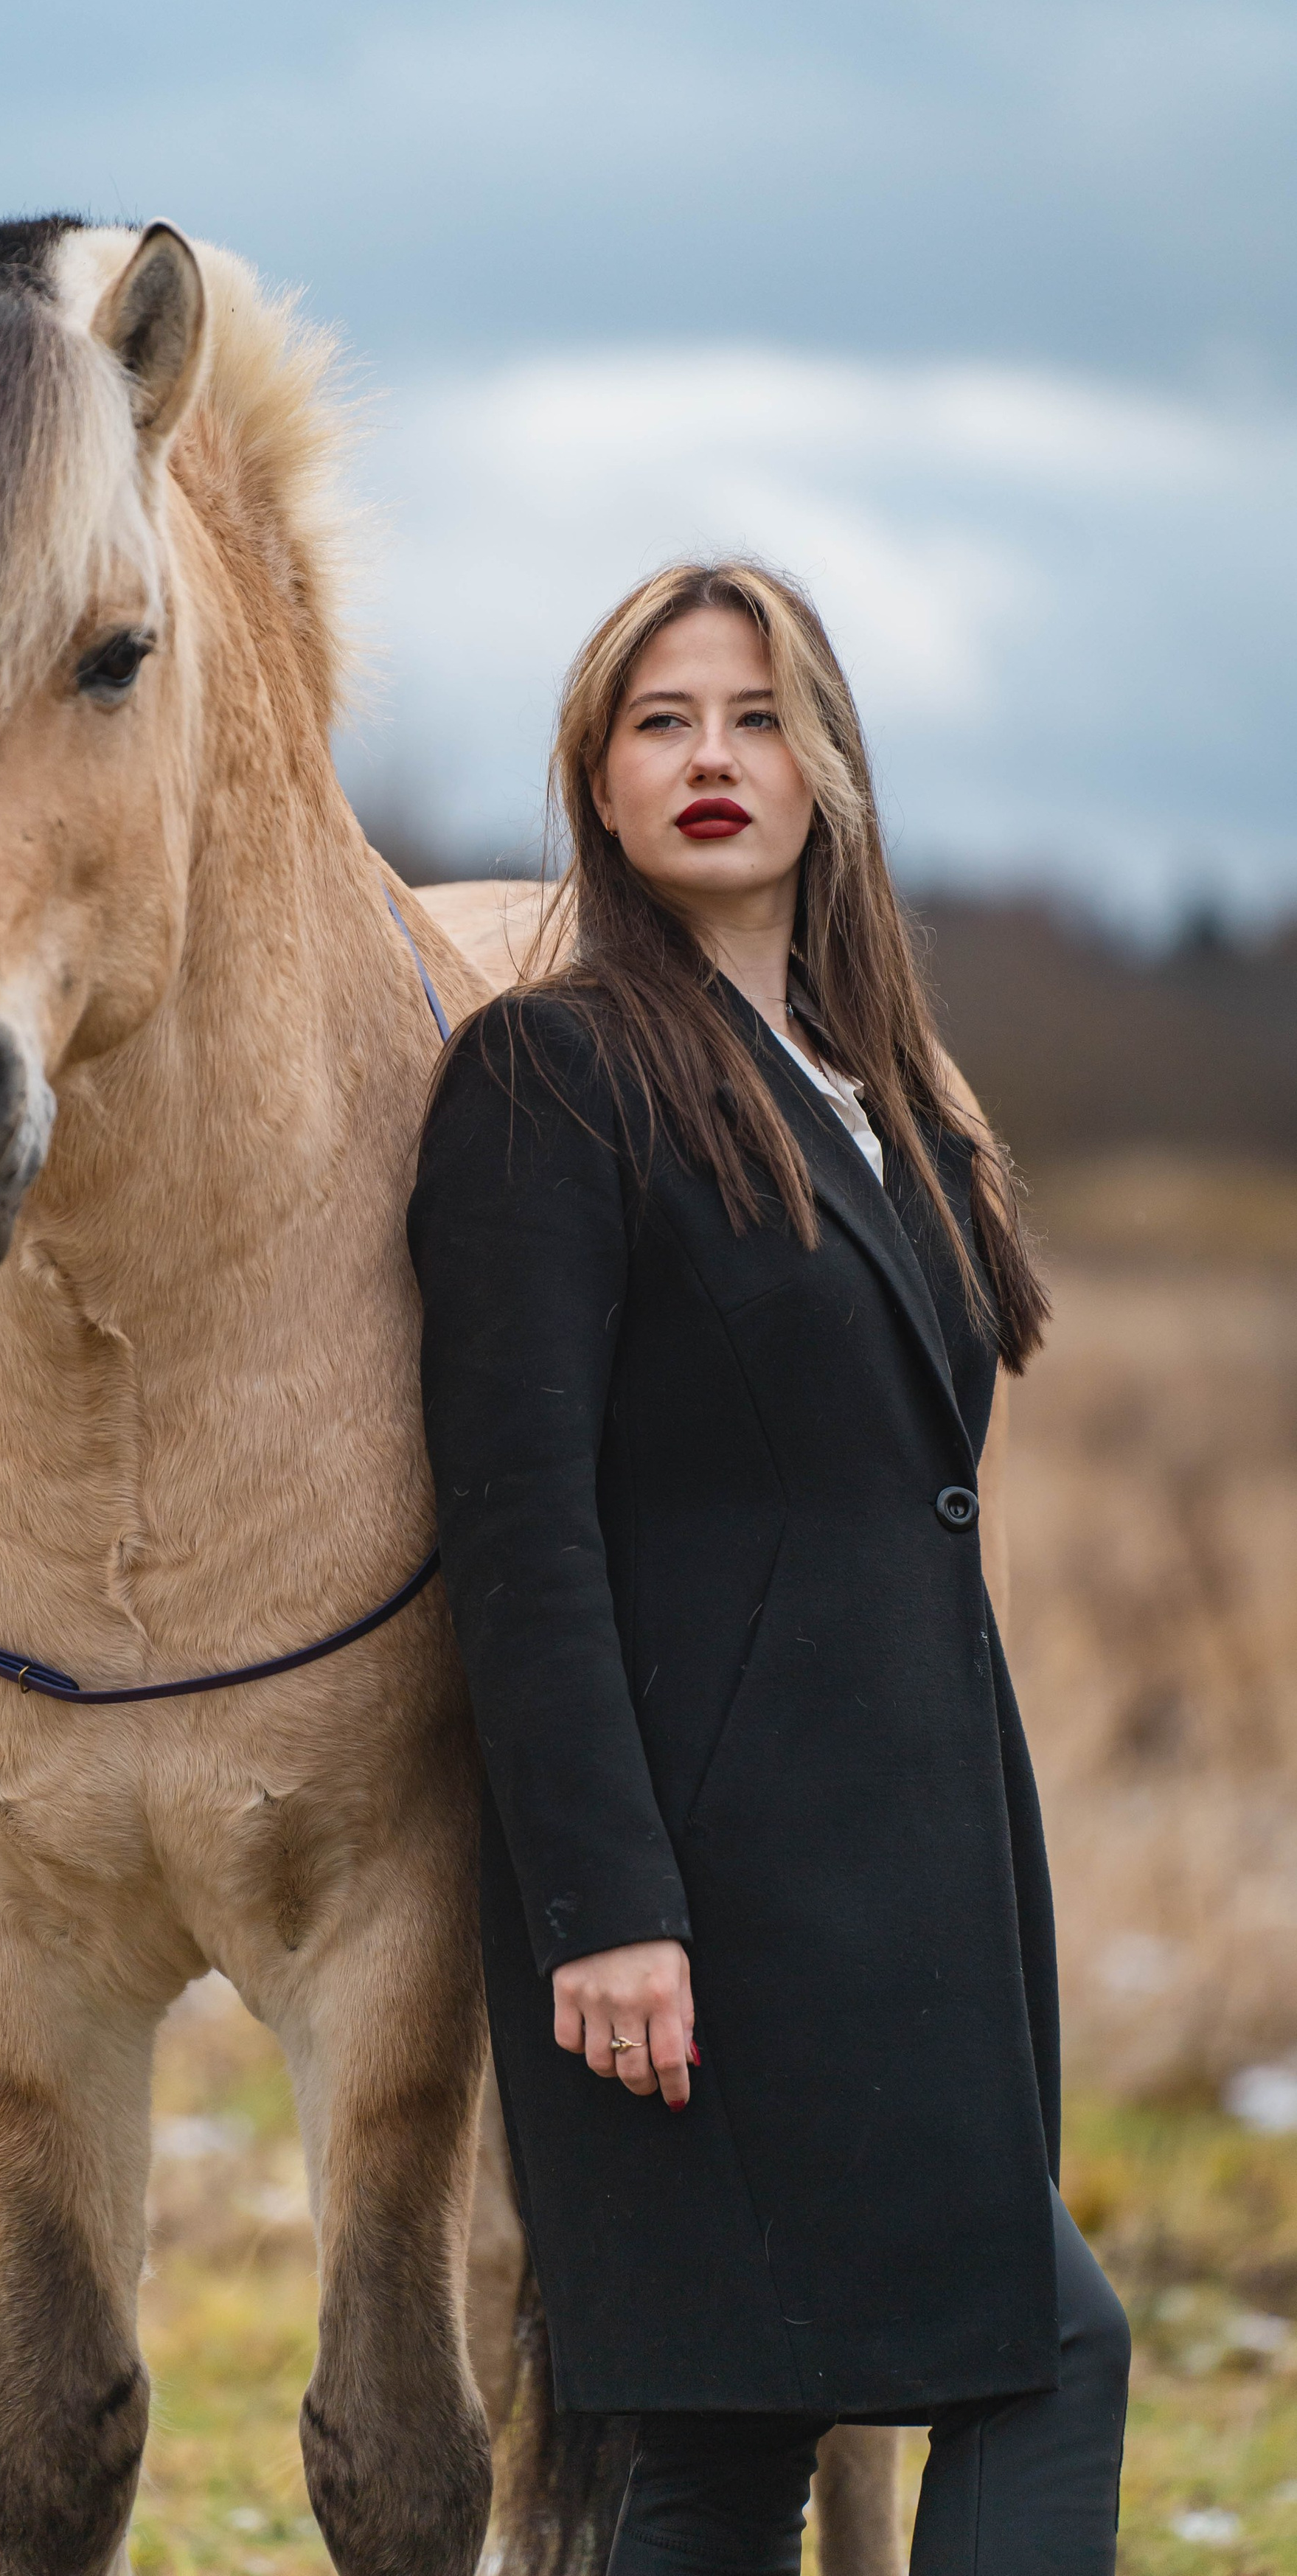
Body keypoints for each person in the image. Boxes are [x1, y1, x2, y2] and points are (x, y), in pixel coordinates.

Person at [408, 563, 1128, 2575]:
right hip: (707, 1916)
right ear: (600, 780)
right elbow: (518, 1525)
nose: (713, 759)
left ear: (830, 768)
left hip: (907, 1894)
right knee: (1033, 2358)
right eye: (661, 721)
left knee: (733, 2448)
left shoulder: (876, 1089)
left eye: (756, 715)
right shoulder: (549, 1082)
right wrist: (606, 1907)